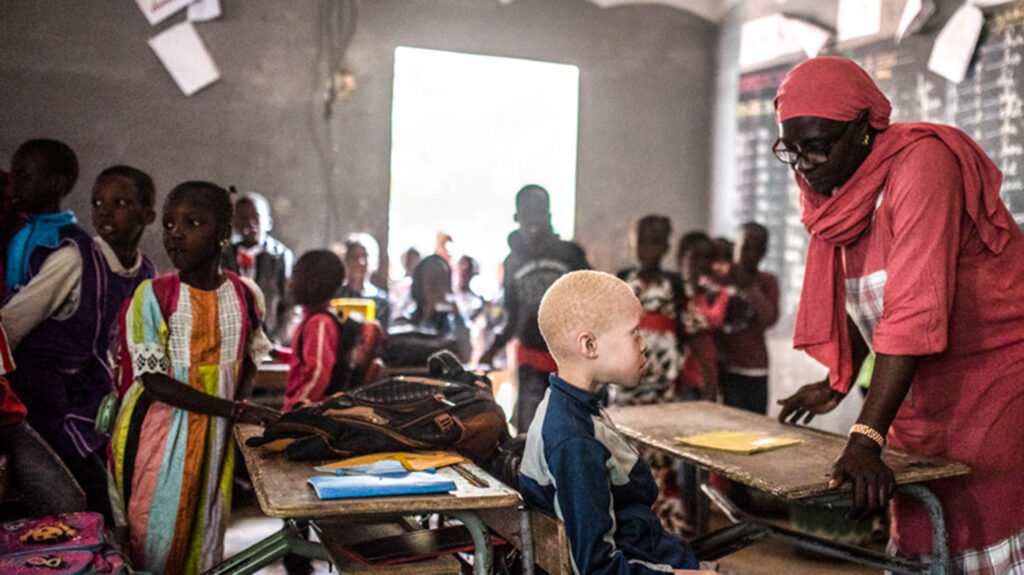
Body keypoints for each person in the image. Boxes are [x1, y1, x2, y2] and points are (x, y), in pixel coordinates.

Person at [773, 56, 1024, 573]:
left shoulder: (923, 164)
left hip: (992, 378)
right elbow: (866, 292)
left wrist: (866, 437)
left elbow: (911, 307)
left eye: (816, 146)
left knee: (983, 514)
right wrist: (838, 381)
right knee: (918, 522)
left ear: (866, 129)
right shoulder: (836, 192)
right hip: (917, 383)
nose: (803, 165)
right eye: (790, 149)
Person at [109, 181, 279, 574]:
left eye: (192, 223)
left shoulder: (245, 294)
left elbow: (251, 356)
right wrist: (237, 410)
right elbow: (154, 382)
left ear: (224, 233)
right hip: (159, 436)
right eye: (169, 225)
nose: (176, 234)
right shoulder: (152, 296)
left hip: (215, 439)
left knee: (204, 527)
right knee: (155, 531)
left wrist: (238, 407)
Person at [519, 270, 718, 575]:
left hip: (652, 549)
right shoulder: (575, 441)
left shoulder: (570, 407)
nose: (645, 344)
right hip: (648, 561)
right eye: (634, 332)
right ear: (589, 346)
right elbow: (598, 567)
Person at [2, 164, 157, 523]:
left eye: (119, 202)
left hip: (90, 400)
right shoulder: (74, 259)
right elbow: (11, 322)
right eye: (98, 202)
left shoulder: (145, 273)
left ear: (146, 215)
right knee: (94, 499)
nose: (104, 210)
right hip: (47, 401)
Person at [479, 184, 589, 432]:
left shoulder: (569, 255)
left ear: (548, 214)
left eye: (538, 211)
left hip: (569, 359)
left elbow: (590, 298)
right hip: (531, 359)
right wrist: (494, 347)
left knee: (570, 428)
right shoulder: (512, 262)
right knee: (530, 430)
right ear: (517, 216)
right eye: (526, 212)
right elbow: (513, 312)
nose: (532, 218)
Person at [282, 249, 383, 412]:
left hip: (313, 418)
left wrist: (291, 411)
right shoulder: (318, 318)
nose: (290, 283)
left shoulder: (319, 323)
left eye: (295, 277)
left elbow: (318, 375)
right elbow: (305, 358)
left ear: (313, 284)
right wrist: (276, 353)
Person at [614, 215, 684, 406]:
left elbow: (688, 327)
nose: (647, 250)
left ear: (665, 247)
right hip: (625, 367)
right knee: (623, 420)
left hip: (663, 370)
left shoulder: (675, 284)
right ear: (632, 244)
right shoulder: (622, 280)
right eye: (641, 242)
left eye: (655, 243)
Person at [716, 222, 779, 415]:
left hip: (755, 368)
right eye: (745, 248)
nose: (750, 255)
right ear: (734, 246)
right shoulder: (720, 277)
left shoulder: (767, 281)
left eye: (757, 249)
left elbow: (769, 318)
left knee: (755, 425)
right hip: (725, 367)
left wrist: (749, 288)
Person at [5, 139, 80, 292]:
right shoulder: (16, 232)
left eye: (25, 178)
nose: (14, 186)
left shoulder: (69, 241)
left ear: (56, 184)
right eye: (14, 178)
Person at [221, 191, 295, 344]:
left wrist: (276, 340)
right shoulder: (223, 256)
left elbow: (291, 307)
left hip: (269, 343)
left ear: (268, 222)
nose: (250, 223)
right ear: (234, 222)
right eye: (243, 218)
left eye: (256, 217)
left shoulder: (280, 257)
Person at [675, 232, 732, 402]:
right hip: (681, 378)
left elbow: (714, 321)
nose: (702, 263)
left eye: (707, 258)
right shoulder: (676, 293)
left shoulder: (716, 294)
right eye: (696, 257)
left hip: (708, 376)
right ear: (682, 259)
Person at [391, 254, 471, 363]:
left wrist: (457, 317)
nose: (437, 288)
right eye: (432, 281)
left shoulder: (453, 323)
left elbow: (465, 356)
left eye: (442, 281)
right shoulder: (403, 322)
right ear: (420, 285)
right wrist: (427, 317)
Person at [335, 232, 390, 330]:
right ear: (346, 259)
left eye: (365, 256)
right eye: (354, 257)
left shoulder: (380, 301)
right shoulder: (336, 296)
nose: (360, 262)